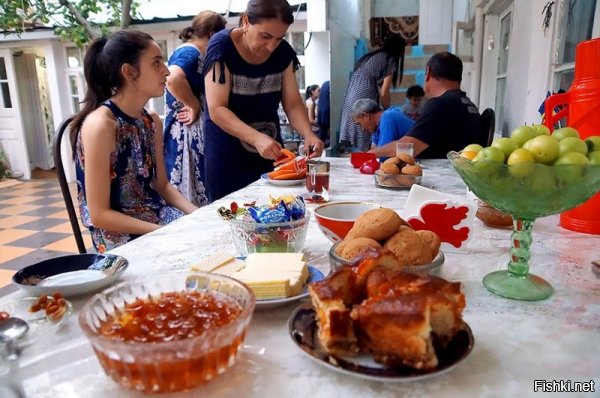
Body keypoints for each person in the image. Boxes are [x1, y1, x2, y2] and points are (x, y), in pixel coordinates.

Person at [69, 31, 198, 253]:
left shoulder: (151, 121)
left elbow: (162, 185)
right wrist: (162, 231)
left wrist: (198, 214)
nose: (166, 71)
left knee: (210, 237)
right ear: (129, 72)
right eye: (156, 63)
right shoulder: (101, 125)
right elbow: (100, 215)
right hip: (117, 235)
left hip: (156, 219)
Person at [203, 0, 324, 201]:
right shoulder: (222, 46)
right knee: (230, 216)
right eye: (265, 36)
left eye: (279, 38)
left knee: (274, 213)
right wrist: (256, 138)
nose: (271, 46)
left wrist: (308, 134)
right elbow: (217, 109)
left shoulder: (283, 52)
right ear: (245, 21)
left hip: (271, 152)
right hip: (227, 156)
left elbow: (293, 103)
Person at [163, 11, 227, 207]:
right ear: (211, 34)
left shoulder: (191, 52)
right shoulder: (190, 52)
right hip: (186, 132)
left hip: (188, 130)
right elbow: (172, 78)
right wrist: (193, 104)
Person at [369, 52, 485, 159]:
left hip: (446, 176)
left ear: (428, 73)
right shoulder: (467, 104)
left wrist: (371, 154)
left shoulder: (441, 105)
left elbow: (408, 148)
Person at [339, 34, 406, 151]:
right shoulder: (389, 59)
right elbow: (384, 92)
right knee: (368, 124)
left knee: (360, 124)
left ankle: (363, 155)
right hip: (365, 91)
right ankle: (368, 155)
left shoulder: (372, 56)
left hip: (352, 91)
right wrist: (387, 112)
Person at [316, 80, 330, 145]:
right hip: (327, 112)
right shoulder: (331, 84)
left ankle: (317, 149)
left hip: (321, 112)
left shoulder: (325, 83)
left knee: (322, 136)